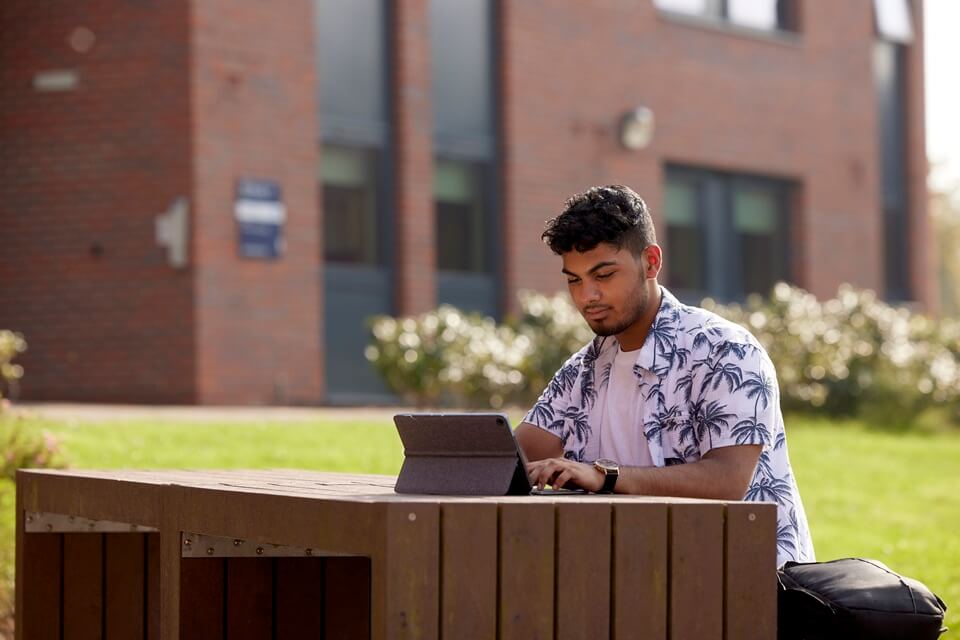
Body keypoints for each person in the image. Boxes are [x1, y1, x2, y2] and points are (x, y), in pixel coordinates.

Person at [516, 184, 814, 566]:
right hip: (639, 582)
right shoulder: (583, 371)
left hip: (748, 585)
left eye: (603, 275)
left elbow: (727, 481)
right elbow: (513, 458)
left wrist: (603, 476)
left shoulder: (725, 350)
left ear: (651, 263)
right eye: (574, 280)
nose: (587, 295)